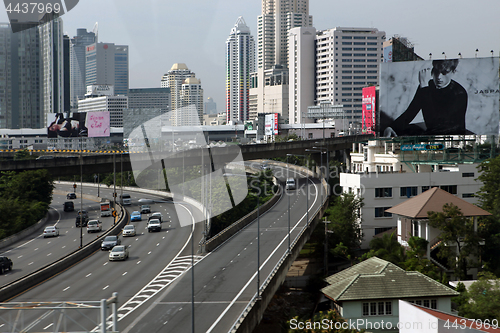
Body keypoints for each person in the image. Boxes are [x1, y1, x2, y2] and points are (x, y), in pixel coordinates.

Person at [383, 59, 470, 137]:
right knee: (404, 130)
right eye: (436, 71)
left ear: (453, 71)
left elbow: (435, 124)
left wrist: (424, 87)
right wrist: (392, 127)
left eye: (444, 73)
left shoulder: (459, 93)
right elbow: (411, 111)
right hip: (432, 134)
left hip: (452, 137)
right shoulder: (428, 86)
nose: (439, 77)